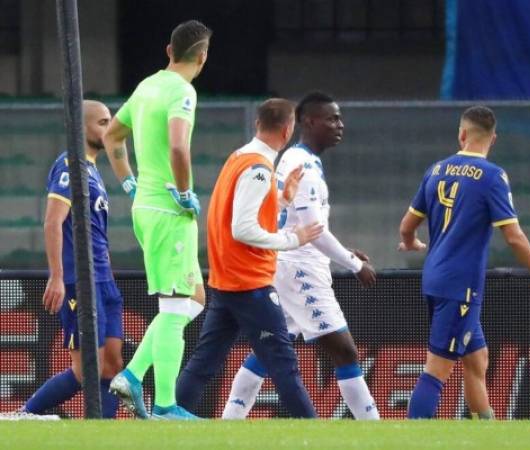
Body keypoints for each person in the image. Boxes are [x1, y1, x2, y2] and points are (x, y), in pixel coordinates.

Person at [397, 105, 530, 419]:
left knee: (477, 359)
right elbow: (513, 236)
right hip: (460, 287)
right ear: (494, 140)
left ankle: (487, 433)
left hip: (435, 279)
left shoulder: (436, 170)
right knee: (436, 371)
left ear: (462, 134)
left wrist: (412, 244)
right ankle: (412, 437)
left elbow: (406, 226)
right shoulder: (492, 176)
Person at [222, 92, 379, 420]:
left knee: (268, 350)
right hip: (300, 271)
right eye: (332, 119)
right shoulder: (304, 167)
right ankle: (375, 431)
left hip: (289, 263)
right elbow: (313, 230)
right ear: (308, 122)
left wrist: (344, 250)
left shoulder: (296, 158)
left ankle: (229, 422)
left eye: (340, 118)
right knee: (345, 351)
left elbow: (305, 223)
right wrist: (354, 265)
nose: (340, 125)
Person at [175, 98, 323, 418]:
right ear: (288, 131)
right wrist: (292, 239)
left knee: (205, 361)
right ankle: (314, 430)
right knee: (283, 363)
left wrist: (282, 200)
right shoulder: (258, 168)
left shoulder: (240, 157)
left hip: (227, 280)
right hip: (249, 282)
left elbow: (244, 212)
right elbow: (242, 228)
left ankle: (167, 418)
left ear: (258, 124)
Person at [102, 20, 212, 420]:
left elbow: (113, 136)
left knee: (195, 299)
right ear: (201, 57)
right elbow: (179, 148)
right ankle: (165, 405)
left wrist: (129, 183)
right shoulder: (183, 91)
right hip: (169, 211)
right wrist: (184, 193)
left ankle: (133, 373)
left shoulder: (147, 85)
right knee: (175, 305)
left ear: (169, 50)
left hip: (144, 208)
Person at [22, 100, 123, 418]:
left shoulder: (92, 169)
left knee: (113, 364)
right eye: (103, 122)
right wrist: (56, 275)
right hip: (81, 278)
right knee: (85, 371)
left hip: (103, 278)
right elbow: (53, 220)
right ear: (81, 126)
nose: (110, 129)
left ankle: (103, 434)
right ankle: (27, 414)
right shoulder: (70, 165)